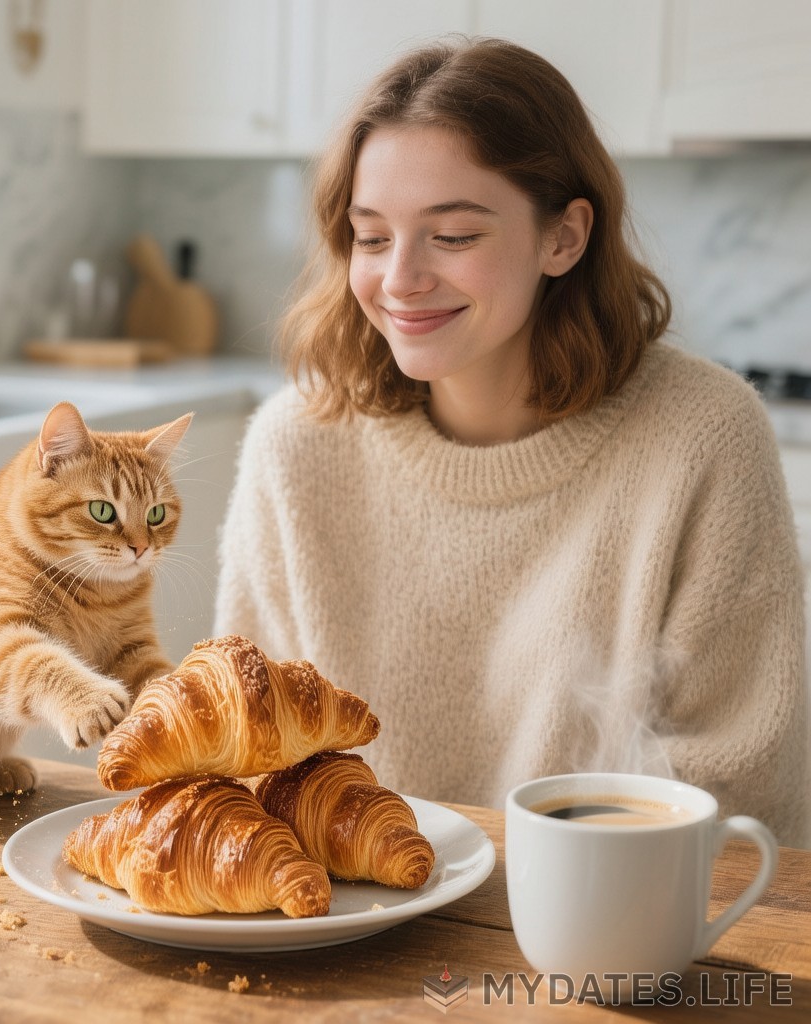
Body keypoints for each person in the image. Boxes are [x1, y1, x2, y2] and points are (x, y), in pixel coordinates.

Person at [213, 37, 808, 846]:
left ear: (563, 238)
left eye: (453, 236)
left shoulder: (701, 437)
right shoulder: (295, 447)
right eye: (372, 236)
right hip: (349, 925)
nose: (400, 279)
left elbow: (740, 780)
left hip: (608, 941)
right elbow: (246, 751)